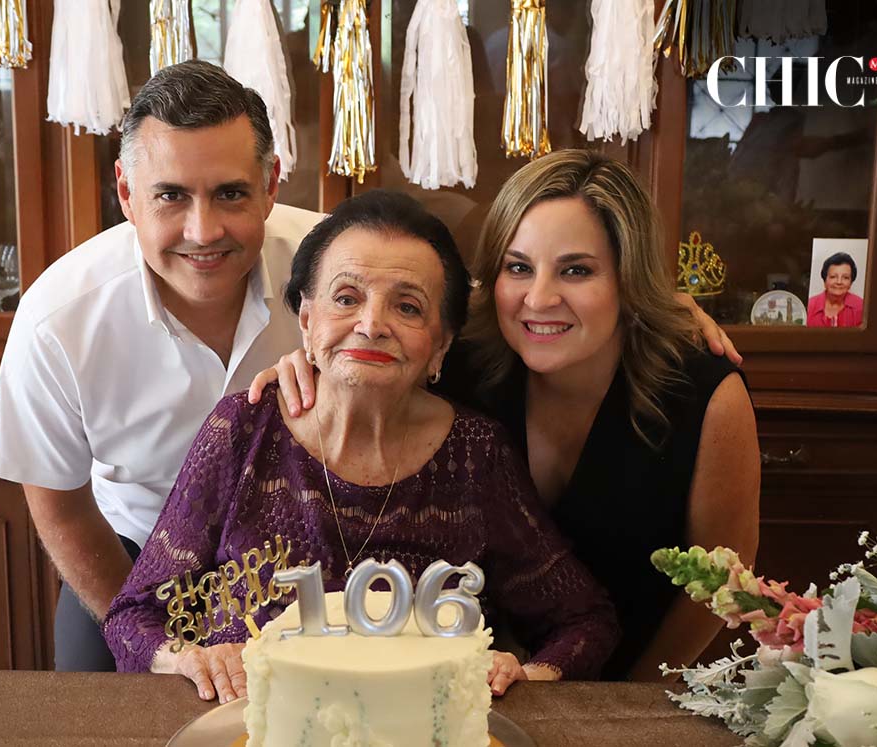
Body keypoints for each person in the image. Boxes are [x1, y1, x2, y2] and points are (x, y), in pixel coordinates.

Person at [252, 150, 760, 681]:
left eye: (577, 271)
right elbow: (374, 346)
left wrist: (637, 701)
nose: (538, 298)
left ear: (627, 279)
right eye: (519, 267)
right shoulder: (462, 364)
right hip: (497, 683)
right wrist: (309, 363)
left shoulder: (701, 393)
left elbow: (722, 581)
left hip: (644, 676)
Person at [103, 190, 619, 701]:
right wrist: (191, 659)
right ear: (306, 320)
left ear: (441, 344)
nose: (371, 326)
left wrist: (526, 676)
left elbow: (584, 620)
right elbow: (134, 615)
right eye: (346, 298)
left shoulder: (475, 455)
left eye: (408, 307)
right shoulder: (244, 428)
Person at [0, 60, 322, 671]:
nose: (203, 230)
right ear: (126, 194)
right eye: (171, 195)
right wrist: (153, 644)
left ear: (271, 184)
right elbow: (59, 504)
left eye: (230, 193)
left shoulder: (338, 275)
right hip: (134, 555)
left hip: (312, 552)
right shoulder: (57, 319)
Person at [807, 252, 864, 327]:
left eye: (845, 277)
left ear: (851, 283)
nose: (839, 282)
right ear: (825, 280)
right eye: (833, 277)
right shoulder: (809, 306)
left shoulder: (861, 306)